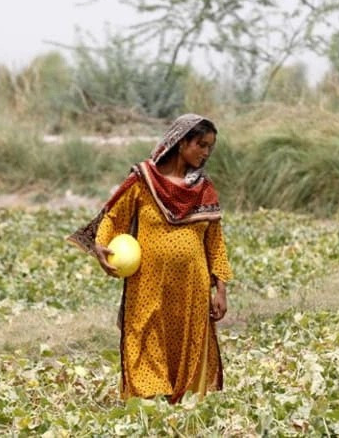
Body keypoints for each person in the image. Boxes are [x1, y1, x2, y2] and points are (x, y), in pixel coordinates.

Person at [67, 113, 232, 404]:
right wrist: (100, 246)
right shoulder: (144, 181)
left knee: (186, 344)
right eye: (201, 145)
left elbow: (215, 241)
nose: (206, 153)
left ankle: (180, 405)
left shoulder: (204, 189)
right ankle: (149, 404)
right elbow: (113, 217)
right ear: (181, 143)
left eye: (210, 147)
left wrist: (220, 288)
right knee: (145, 338)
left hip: (192, 288)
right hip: (148, 286)